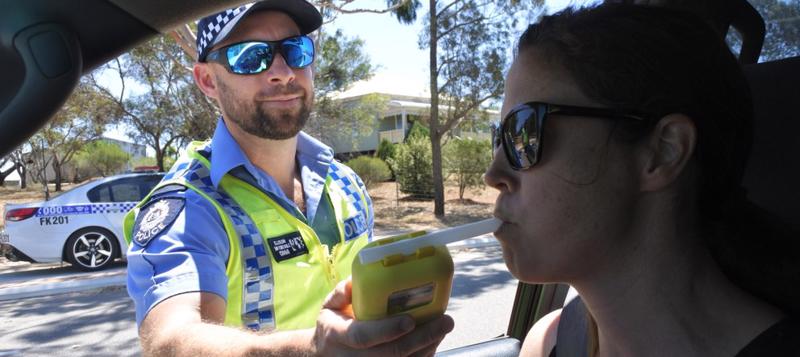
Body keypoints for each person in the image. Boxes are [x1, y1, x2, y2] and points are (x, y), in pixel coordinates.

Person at [123, 1, 453, 355]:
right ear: (207, 80)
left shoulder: (345, 184)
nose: (283, 71)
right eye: (250, 56)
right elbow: (170, 341)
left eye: (295, 51)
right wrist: (314, 349)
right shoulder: (190, 206)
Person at [484, 3, 799, 357]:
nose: (493, 175)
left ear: (663, 151)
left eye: (524, 132)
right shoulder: (549, 340)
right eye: (500, 137)